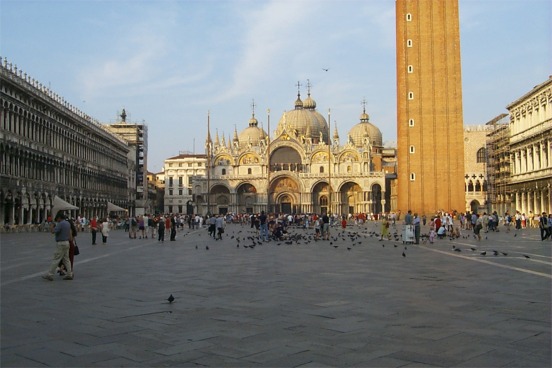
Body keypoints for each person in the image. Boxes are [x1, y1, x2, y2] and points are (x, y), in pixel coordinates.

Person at [42, 213, 73, 281]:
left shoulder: (60, 224)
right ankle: (69, 274)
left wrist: (52, 226)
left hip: (61, 243)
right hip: (67, 242)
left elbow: (53, 231)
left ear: (59, 217)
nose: (57, 220)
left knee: (56, 259)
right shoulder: (68, 223)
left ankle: (50, 274)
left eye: (57, 218)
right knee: (66, 259)